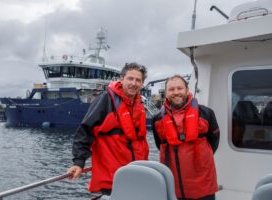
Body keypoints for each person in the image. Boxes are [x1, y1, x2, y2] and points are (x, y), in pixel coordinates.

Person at [67, 62, 149, 197]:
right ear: (121, 79)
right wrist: (78, 162)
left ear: (142, 84)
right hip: (111, 181)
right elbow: (85, 130)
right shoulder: (106, 100)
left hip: (135, 177)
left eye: (138, 80)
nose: (134, 83)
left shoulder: (139, 104)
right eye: (130, 78)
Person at [152, 75, 220, 200]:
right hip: (173, 187)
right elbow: (159, 144)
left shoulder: (206, 113)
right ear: (166, 93)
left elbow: (214, 141)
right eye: (171, 89)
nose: (176, 92)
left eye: (180, 88)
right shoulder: (157, 119)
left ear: (187, 89)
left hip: (203, 186)